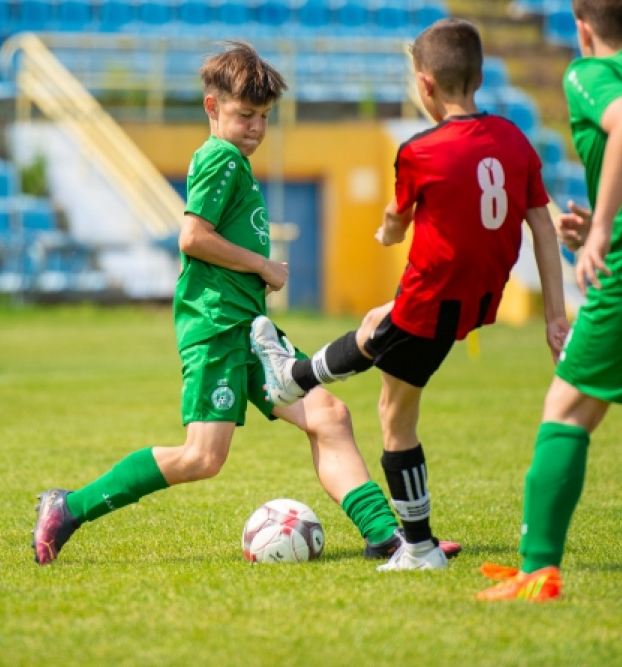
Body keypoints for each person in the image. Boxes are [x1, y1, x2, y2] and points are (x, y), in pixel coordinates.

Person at [31, 41, 452, 566]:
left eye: (264, 117)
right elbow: (192, 237)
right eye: (245, 115)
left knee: (328, 414)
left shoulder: (233, 160)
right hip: (218, 327)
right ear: (213, 108)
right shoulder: (220, 157)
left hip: (250, 328)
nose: (255, 127)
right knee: (202, 457)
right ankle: (68, 508)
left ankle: (385, 535)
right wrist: (262, 266)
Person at [251, 18, 568, 571]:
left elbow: (399, 217)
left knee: (395, 415)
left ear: (424, 85)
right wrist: (555, 318)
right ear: (480, 75)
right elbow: (542, 226)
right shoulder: (515, 140)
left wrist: (388, 232)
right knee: (378, 325)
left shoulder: (421, 150)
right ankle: (293, 377)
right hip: (475, 302)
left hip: (431, 298)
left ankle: (418, 549)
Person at [477, 0, 622, 602]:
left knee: (565, 410)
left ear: (582, 27)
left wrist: (600, 235)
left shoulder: (590, 72)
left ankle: (537, 572)